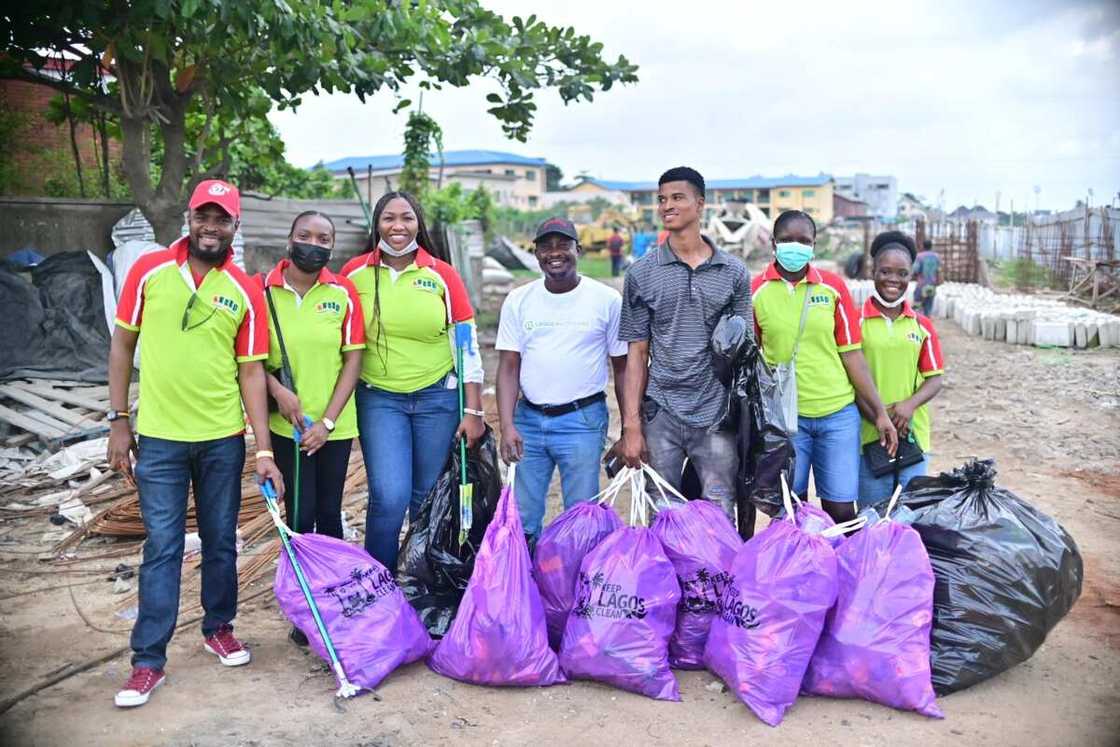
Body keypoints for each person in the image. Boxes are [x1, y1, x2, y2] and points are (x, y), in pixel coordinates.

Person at [106, 180, 283, 708]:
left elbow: (251, 372)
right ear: (189, 218)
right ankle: (147, 662)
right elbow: (122, 343)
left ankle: (218, 628)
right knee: (161, 547)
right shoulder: (149, 270)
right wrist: (118, 419)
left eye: (222, 218)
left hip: (222, 440)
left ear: (234, 226)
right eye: (204, 216)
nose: (212, 226)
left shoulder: (245, 288)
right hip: (159, 439)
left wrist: (264, 447)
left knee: (221, 540)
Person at [341, 191, 485, 572]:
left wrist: (473, 409)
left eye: (407, 218)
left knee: (425, 498)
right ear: (377, 225)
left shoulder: (441, 273)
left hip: (437, 398)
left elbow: (466, 342)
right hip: (379, 400)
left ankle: (420, 585)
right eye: (389, 218)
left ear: (418, 222)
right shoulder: (354, 273)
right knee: (389, 496)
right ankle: (380, 587)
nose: (398, 226)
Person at [617, 166, 752, 517]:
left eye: (677, 198)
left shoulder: (734, 272)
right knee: (661, 511)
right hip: (661, 410)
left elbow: (744, 348)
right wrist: (631, 425)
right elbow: (637, 353)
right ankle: (666, 574)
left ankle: (714, 574)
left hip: (716, 413)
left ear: (700, 204)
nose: (667, 206)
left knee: (719, 509)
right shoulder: (641, 273)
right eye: (662, 199)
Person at [260, 211, 365, 645]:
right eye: (305, 235)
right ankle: (303, 606)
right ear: (289, 239)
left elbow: (353, 359)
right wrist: (279, 394)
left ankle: (331, 599)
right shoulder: (261, 292)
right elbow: (247, 360)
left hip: (334, 428)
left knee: (329, 513)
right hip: (286, 428)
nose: (313, 243)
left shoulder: (343, 292)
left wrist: (327, 421)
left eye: (323, 238)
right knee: (298, 517)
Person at [751, 209, 897, 523]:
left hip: (838, 417)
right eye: (787, 240)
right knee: (792, 510)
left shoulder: (832, 288)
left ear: (814, 245)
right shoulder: (756, 291)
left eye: (803, 240)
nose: (795, 246)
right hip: (787, 421)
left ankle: (843, 570)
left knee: (842, 510)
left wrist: (880, 412)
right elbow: (751, 357)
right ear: (773, 244)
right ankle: (800, 571)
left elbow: (852, 355)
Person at [496, 217, 627, 539]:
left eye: (563, 245)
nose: (554, 253)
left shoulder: (606, 300)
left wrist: (630, 428)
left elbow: (623, 367)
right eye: (546, 246)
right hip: (528, 420)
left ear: (578, 249)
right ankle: (526, 582)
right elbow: (509, 366)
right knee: (523, 518)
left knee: (580, 516)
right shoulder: (518, 300)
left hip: (581, 421)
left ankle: (571, 585)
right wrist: (508, 425)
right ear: (536, 253)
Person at [857, 231, 945, 503]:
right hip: (867, 438)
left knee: (909, 516)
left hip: (912, 436)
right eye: (885, 271)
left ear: (912, 276)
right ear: (873, 272)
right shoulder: (855, 322)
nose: (893, 280)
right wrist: (878, 416)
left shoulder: (921, 326)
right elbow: (849, 378)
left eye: (902, 273)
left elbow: (934, 379)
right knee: (871, 518)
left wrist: (908, 406)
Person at [914, 238, 942, 317]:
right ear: (931, 246)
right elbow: (939, 270)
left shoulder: (919, 256)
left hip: (921, 284)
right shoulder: (936, 257)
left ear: (923, 246)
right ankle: (927, 321)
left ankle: (919, 322)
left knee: (918, 304)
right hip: (932, 284)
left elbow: (915, 270)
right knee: (929, 305)